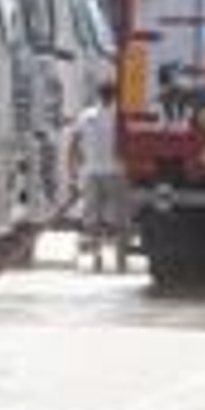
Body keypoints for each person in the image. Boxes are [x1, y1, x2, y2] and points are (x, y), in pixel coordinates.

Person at [69, 82, 131, 274]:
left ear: (98, 94)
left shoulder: (86, 115)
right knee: (120, 219)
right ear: (116, 95)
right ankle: (120, 259)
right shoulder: (121, 116)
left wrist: (72, 171)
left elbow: (74, 144)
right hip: (116, 172)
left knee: (93, 219)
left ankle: (97, 257)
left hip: (91, 173)